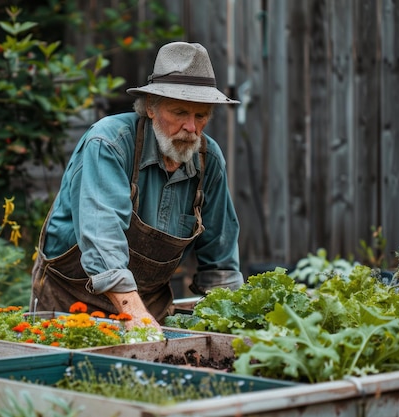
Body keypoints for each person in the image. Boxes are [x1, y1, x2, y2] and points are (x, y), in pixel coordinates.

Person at [30, 41, 244, 331]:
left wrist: (231, 325)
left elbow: (220, 260)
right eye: (180, 112)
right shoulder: (109, 144)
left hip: (147, 307)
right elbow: (102, 236)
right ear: (151, 108)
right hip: (70, 305)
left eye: (201, 115)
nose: (192, 128)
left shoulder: (209, 160)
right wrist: (137, 319)